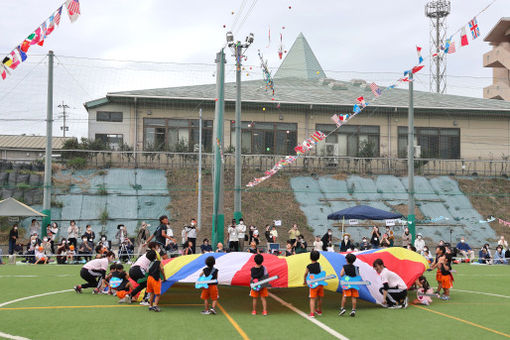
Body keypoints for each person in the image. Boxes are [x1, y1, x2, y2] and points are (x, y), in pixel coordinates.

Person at [303, 250, 323, 317]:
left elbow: (305, 274)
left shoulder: (309, 266)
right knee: (319, 297)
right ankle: (319, 310)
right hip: (320, 283)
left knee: (312, 298)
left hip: (313, 284)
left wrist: (305, 281)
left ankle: (312, 313)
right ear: (318, 257)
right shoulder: (319, 265)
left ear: (310, 257)